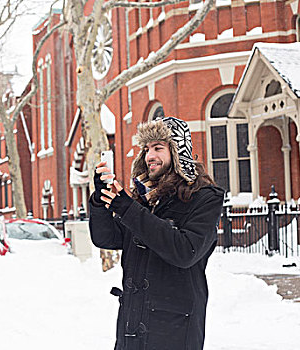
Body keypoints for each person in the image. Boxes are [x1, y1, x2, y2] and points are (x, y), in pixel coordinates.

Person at [89, 116, 224, 350]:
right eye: (146, 149)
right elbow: (106, 237)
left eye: (158, 148)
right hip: (133, 328)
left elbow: (185, 251)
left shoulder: (204, 198)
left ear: (178, 151)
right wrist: (100, 201)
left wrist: (129, 209)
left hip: (174, 331)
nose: (150, 156)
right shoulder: (145, 199)